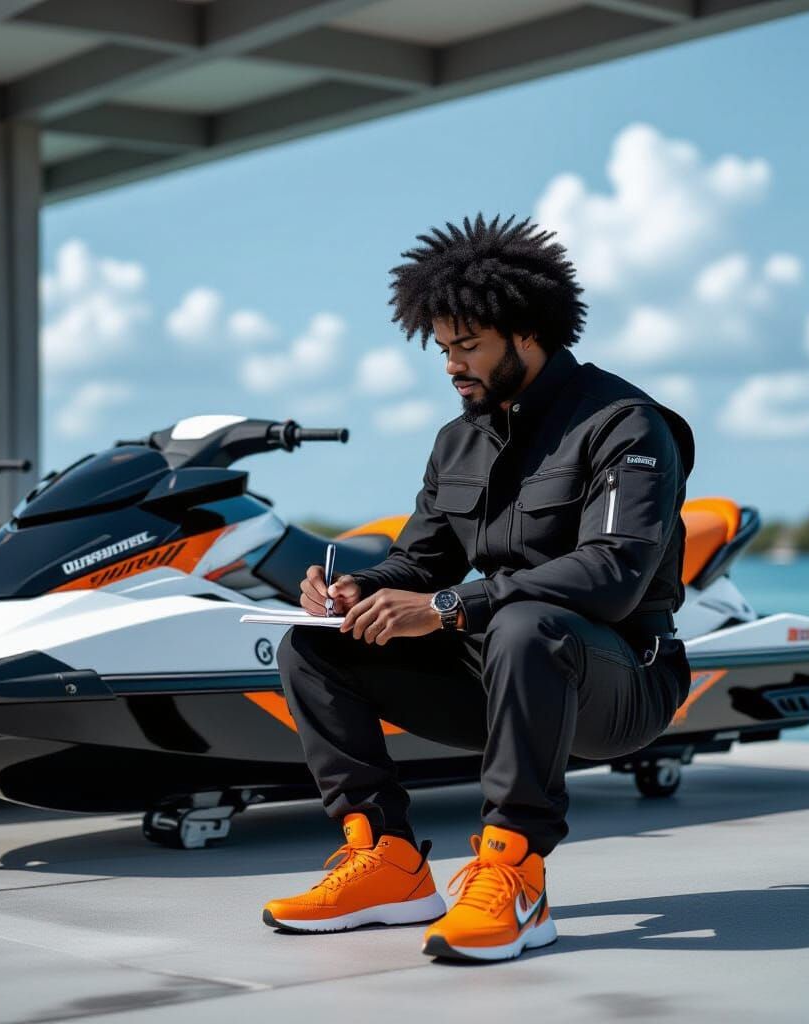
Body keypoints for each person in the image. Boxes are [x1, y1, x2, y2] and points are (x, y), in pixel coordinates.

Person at [263, 214, 695, 962]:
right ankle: (389, 863)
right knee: (315, 647)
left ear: (525, 333)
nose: (451, 365)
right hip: (505, 673)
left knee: (530, 622)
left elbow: (614, 574)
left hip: (623, 679)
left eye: (468, 346)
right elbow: (420, 560)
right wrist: (355, 590)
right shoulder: (457, 440)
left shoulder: (626, 424)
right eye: (443, 348)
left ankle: (513, 873)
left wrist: (446, 608)